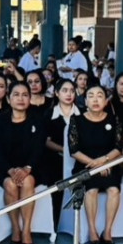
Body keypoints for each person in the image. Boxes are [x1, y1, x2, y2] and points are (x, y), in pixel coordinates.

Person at [0, 81, 47, 244]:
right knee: (10, 184)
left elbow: (39, 150)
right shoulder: (0, 121)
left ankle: (26, 230)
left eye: (24, 95)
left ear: (30, 99)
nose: (20, 99)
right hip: (5, 168)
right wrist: (11, 170)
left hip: (32, 167)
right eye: (16, 95)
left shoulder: (38, 121)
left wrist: (27, 168)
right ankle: (16, 228)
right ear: (9, 99)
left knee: (27, 182)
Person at [68, 85, 123, 244]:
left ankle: (107, 231)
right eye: (91, 96)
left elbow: (118, 148)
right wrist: (95, 165)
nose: (95, 99)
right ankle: (92, 230)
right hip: (84, 165)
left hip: (109, 164)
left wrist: (104, 161)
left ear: (106, 101)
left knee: (114, 190)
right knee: (91, 190)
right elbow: (74, 150)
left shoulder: (114, 119)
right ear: (85, 101)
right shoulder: (76, 120)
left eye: (100, 96)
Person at [43, 78, 81, 226]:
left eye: (72, 91)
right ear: (57, 93)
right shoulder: (49, 114)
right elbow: (46, 141)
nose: (69, 94)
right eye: (64, 91)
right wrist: (64, 150)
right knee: (55, 181)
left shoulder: (82, 113)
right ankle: (55, 223)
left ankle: (76, 223)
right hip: (55, 158)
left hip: (79, 158)